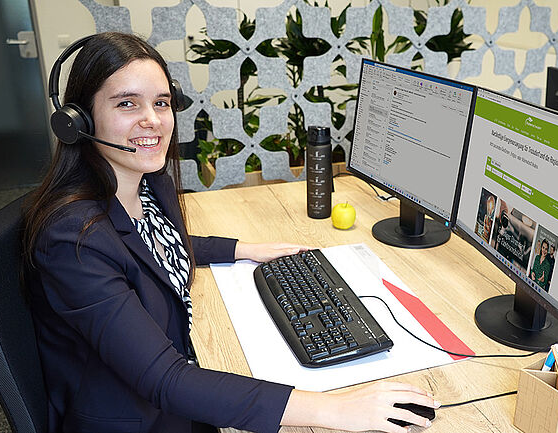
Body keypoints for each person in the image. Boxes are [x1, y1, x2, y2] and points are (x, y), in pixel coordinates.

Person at [21, 32, 434, 433]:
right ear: (79, 120)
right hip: (139, 414)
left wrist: (243, 249)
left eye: (161, 103)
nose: (152, 120)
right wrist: (336, 409)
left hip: (167, 382)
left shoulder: (146, 185)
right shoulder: (73, 238)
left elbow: (152, 249)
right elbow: (165, 381)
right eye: (127, 103)